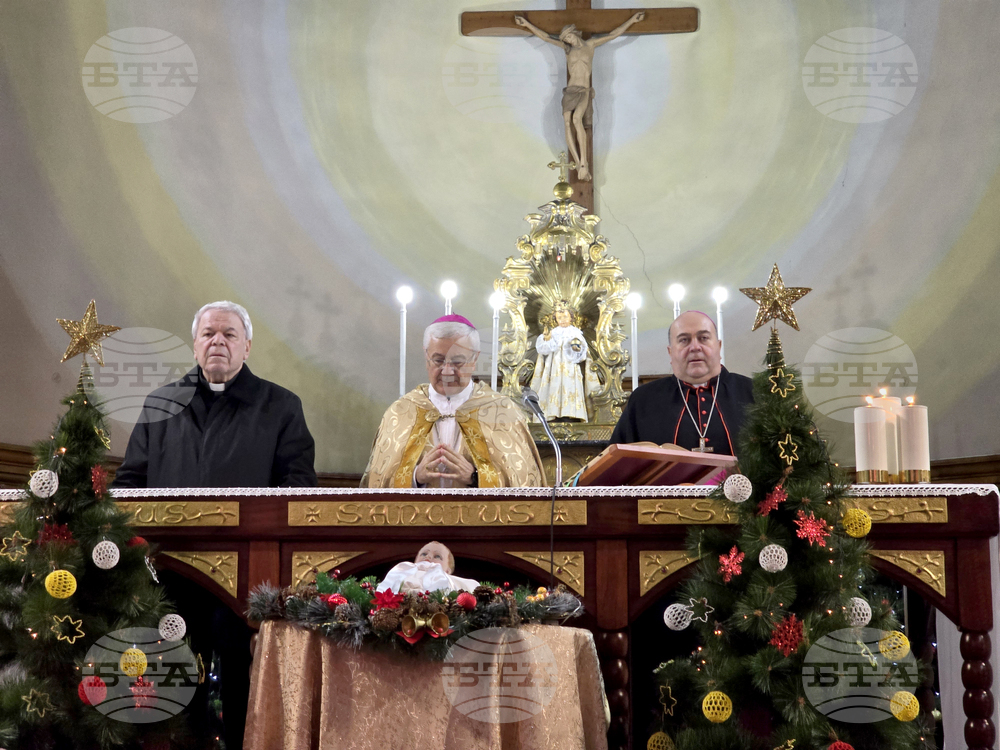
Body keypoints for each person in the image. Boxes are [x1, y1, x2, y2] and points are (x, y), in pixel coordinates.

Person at [113, 300, 316, 487]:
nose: (217, 341)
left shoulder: (281, 406)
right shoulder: (160, 404)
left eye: (229, 335)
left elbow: (298, 483)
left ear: (247, 348)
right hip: (170, 526)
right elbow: (130, 481)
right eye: (208, 334)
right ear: (195, 346)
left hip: (250, 527)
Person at [362, 314, 545, 488]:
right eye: (438, 360)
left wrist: (475, 477)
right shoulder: (401, 411)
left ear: (474, 359)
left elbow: (523, 484)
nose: (447, 371)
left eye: (457, 362)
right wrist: (415, 476)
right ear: (426, 357)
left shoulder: (502, 411)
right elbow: (377, 483)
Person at [515, 12, 645, 181]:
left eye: (569, 37)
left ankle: (584, 162)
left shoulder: (590, 45)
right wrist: (526, 24)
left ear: (574, 34)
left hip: (584, 91)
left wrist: (632, 20)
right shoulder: (567, 50)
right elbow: (546, 37)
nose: (568, 41)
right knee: (567, 123)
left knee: (577, 120)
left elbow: (614, 34)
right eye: (566, 39)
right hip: (569, 91)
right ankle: (577, 163)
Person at [610, 310, 754, 455]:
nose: (695, 347)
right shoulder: (643, 400)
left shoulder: (753, 393)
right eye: (684, 340)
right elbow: (617, 463)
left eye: (703, 338)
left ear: (719, 346)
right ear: (670, 352)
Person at [530, 300, 589, 421]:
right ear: (555, 319)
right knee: (554, 386)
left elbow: (582, 352)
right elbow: (543, 350)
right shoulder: (552, 333)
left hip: (570, 368)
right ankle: (553, 413)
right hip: (554, 367)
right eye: (559, 317)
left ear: (571, 317)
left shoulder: (575, 332)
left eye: (565, 316)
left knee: (570, 387)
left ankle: (571, 413)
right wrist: (546, 339)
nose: (562, 320)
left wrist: (576, 348)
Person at [376, 541, 479, 595]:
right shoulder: (401, 572)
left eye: (437, 556)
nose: (428, 557)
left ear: (448, 570)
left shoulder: (451, 582)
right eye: (424, 554)